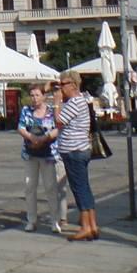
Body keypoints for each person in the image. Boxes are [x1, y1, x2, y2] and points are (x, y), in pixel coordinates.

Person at [55, 72, 98, 241]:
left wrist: (57, 103)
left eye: (63, 84)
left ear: (73, 84)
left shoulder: (74, 102)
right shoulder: (81, 101)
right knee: (84, 187)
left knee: (79, 189)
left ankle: (86, 227)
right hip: (80, 149)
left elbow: (59, 121)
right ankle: (93, 225)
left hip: (74, 151)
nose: (60, 87)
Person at [18, 85, 67, 233]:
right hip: (30, 153)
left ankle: (54, 221)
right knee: (30, 186)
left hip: (49, 154)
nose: (34, 98)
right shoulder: (26, 111)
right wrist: (32, 137)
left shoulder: (51, 112)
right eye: (32, 95)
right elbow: (21, 127)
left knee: (51, 187)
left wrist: (44, 138)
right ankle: (31, 220)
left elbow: (58, 127)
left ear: (44, 96)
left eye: (37, 95)